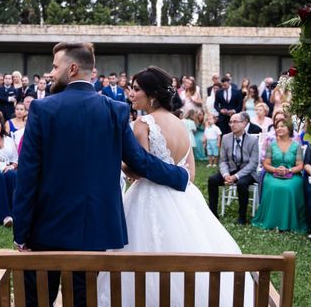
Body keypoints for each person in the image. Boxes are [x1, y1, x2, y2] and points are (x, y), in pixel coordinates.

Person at [13, 44, 189, 307]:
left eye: (55, 66)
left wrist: (21, 231)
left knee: (38, 300)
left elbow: (27, 176)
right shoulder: (115, 110)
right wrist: (179, 176)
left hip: (45, 230)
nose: (50, 73)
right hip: (93, 230)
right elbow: (139, 162)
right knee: (83, 299)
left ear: (72, 69)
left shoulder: (41, 109)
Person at [98, 66, 253, 306]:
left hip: (148, 197)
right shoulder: (180, 123)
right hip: (184, 198)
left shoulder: (143, 123)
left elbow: (141, 170)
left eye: (136, 89)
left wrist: (119, 165)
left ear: (152, 95)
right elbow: (190, 173)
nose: (131, 93)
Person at [252, 119, 307, 233]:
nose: (279, 128)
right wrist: (275, 169)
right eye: (277, 127)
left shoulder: (296, 146)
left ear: (289, 129)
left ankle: (289, 222)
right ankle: (272, 221)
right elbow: (266, 164)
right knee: (274, 187)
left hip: (293, 175)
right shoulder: (271, 145)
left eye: (283, 126)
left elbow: (300, 166)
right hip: (272, 174)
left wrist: (289, 170)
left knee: (289, 188)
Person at [207, 113, 260, 225]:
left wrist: (236, 176)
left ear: (244, 123)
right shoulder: (226, 138)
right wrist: (226, 174)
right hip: (230, 169)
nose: (232, 124)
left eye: (235, 122)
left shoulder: (253, 140)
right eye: (230, 122)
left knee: (241, 183)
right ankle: (212, 214)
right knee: (212, 180)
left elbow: (253, 163)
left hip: (247, 172)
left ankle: (242, 217)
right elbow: (223, 160)